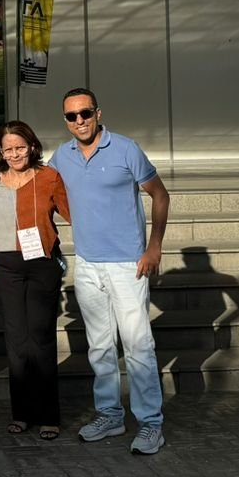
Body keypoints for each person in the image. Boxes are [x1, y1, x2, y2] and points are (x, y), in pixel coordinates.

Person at [49, 87, 171, 455]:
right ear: (66, 120)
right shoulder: (62, 156)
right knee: (100, 346)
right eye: (72, 116)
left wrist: (154, 246)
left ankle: (151, 424)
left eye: (85, 113)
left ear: (98, 113)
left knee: (137, 345)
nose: (80, 121)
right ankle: (110, 415)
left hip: (128, 263)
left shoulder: (125, 149)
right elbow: (37, 185)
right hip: (88, 264)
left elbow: (160, 194)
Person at [0, 121, 70, 440]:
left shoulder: (49, 176)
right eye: (7, 149)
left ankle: (49, 415)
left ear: (32, 146)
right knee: (16, 340)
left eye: (20, 148)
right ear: (0, 151)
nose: (14, 154)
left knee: (41, 339)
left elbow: (75, 212)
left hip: (42, 263)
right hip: (7, 264)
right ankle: (21, 413)